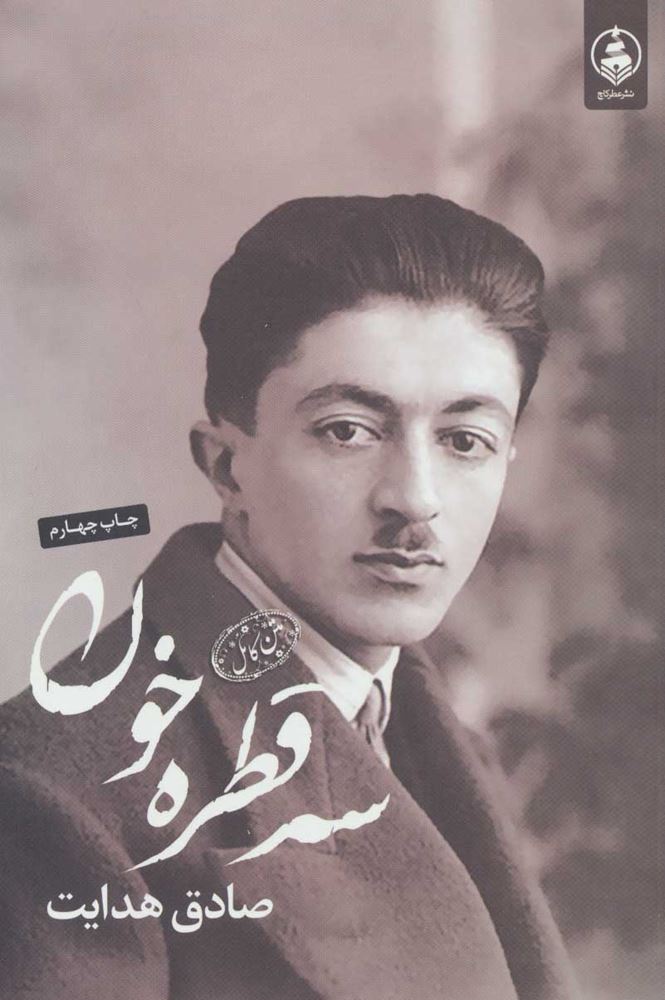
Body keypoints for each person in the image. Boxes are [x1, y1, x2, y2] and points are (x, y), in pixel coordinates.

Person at [0, 195, 579, 1000]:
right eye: (347, 430)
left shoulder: (440, 741)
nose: (415, 499)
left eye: (463, 441)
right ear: (225, 466)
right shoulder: (59, 787)